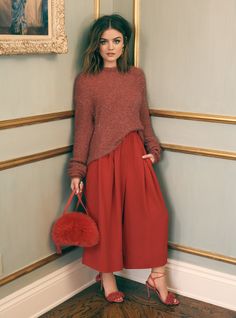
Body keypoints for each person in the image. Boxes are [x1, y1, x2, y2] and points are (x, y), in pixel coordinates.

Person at [68, 14, 179, 305]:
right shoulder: (86, 82)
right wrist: (77, 170)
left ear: (125, 43)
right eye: (104, 42)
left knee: (156, 214)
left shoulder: (136, 76)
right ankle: (107, 278)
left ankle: (157, 276)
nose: (110, 47)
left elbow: (144, 118)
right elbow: (83, 128)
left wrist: (153, 150)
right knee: (106, 220)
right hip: (101, 159)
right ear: (96, 45)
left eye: (116, 41)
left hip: (133, 153)